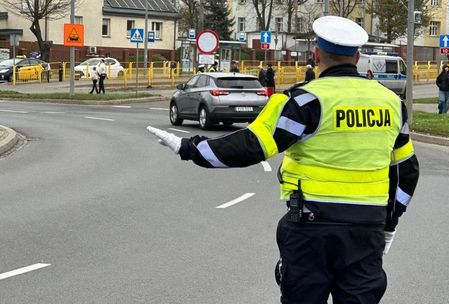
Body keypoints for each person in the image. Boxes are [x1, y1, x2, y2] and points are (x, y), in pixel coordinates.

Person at [147, 15, 419, 304]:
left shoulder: (304, 101)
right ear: (358, 56)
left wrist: (190, 148)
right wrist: (390, 223)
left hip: (311, 225)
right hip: (367, 228)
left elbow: (252, 145)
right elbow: (406, 171)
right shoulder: (390, 103)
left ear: (316, 55)